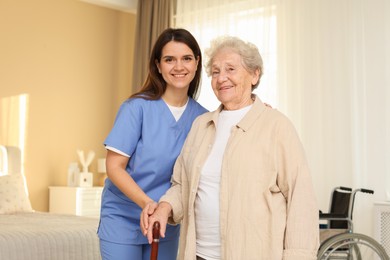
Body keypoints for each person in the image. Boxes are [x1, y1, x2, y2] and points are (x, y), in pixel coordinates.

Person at [141, 35, 319, 260]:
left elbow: (300, 199)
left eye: (230, 69)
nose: (221, 78)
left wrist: (298, 256)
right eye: (215, 72)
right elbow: (181, 183)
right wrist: (165, 207)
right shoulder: (201, 125)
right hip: (198, 254)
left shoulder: (276, 126)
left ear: (255, 74)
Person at [97, 28, 208, 260]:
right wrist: (147, 203)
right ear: (158, 65)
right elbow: (114, 167)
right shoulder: (136, 108)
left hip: (165, 219)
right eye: (169, 59)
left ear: (197, 63)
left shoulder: (203, 119)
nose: (179, 67)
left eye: (186, 58)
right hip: (123, 216)